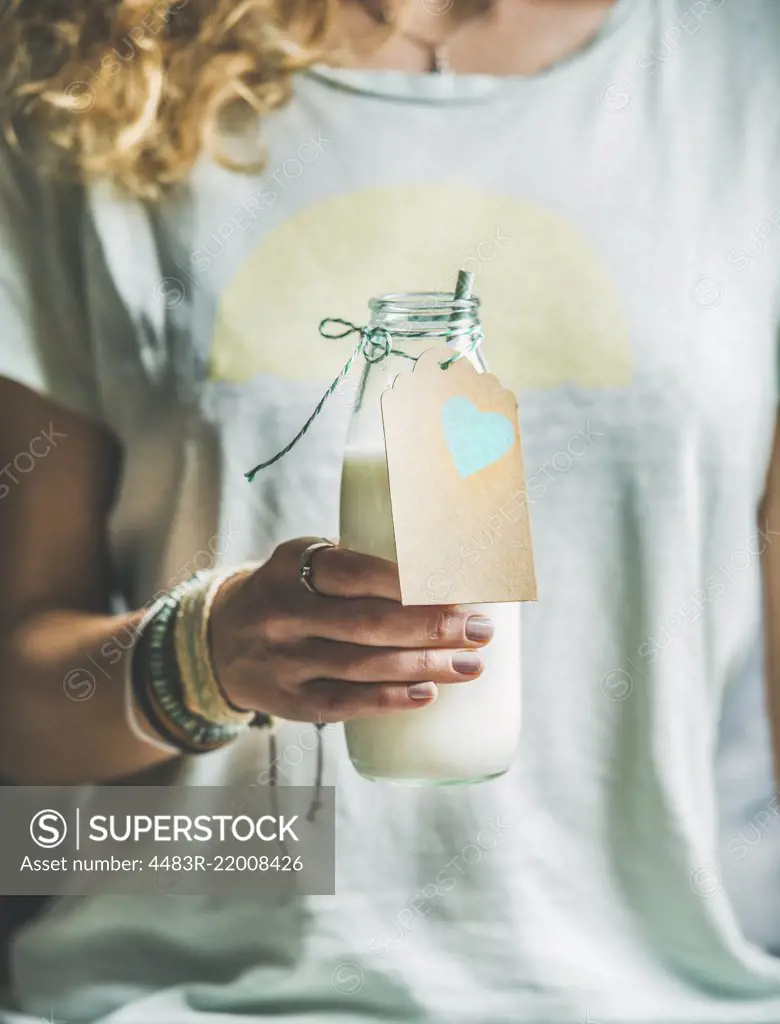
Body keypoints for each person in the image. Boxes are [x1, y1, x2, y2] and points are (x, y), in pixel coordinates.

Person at [1, 0, 780, 1021]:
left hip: (651, 993)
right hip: (184, 993)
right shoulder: (90, 68)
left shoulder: (747, 64)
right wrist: (201, 655)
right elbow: (17, 716)